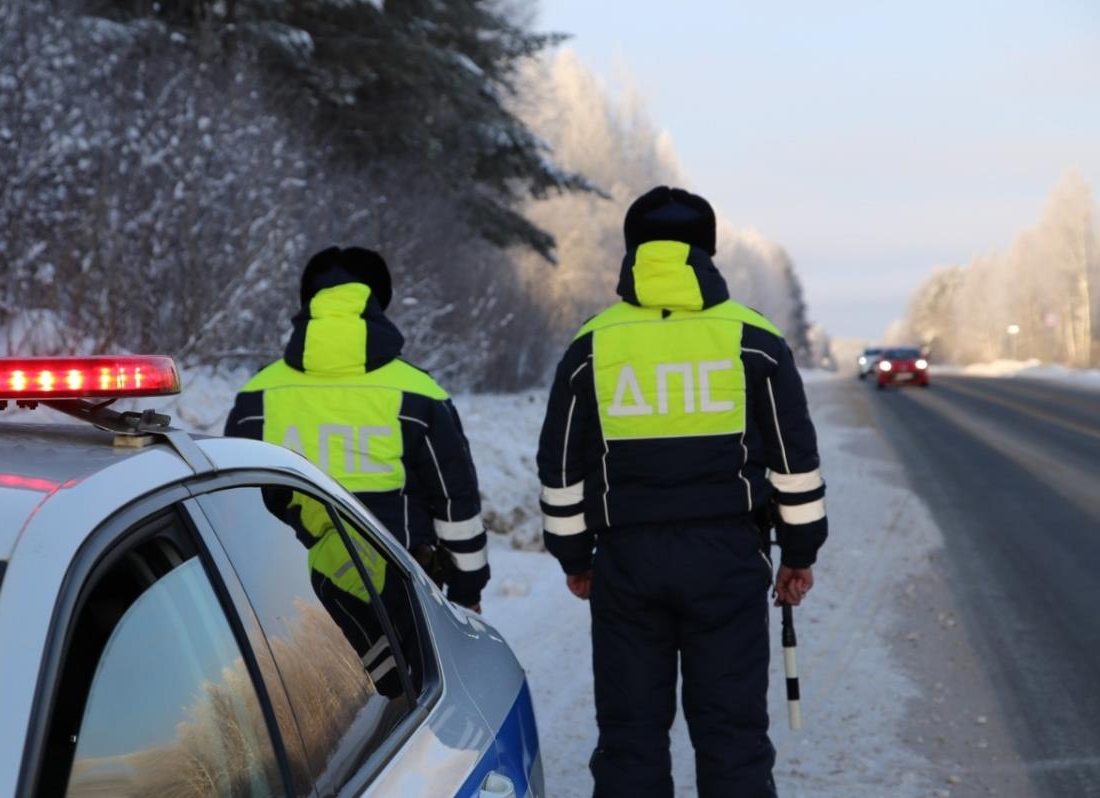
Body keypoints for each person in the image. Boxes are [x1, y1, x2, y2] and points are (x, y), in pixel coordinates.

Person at [536, 187, 828, 797]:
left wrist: (576, 558)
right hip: (727, 561)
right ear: (708, 251)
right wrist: (798, 553)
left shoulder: (592, 346)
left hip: (627, 566)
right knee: (733, 736)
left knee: (630, 737)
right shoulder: (754, 340)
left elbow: (560, 468)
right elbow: (793, 463)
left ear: (633, 251)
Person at [226, 246, 489, 611]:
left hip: (279, 607)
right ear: (380, 304)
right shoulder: (419, 393)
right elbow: (455, 501)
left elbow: (231, 505)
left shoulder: (257, 395)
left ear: (307, 302)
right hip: (403, 598)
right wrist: (467, 590)